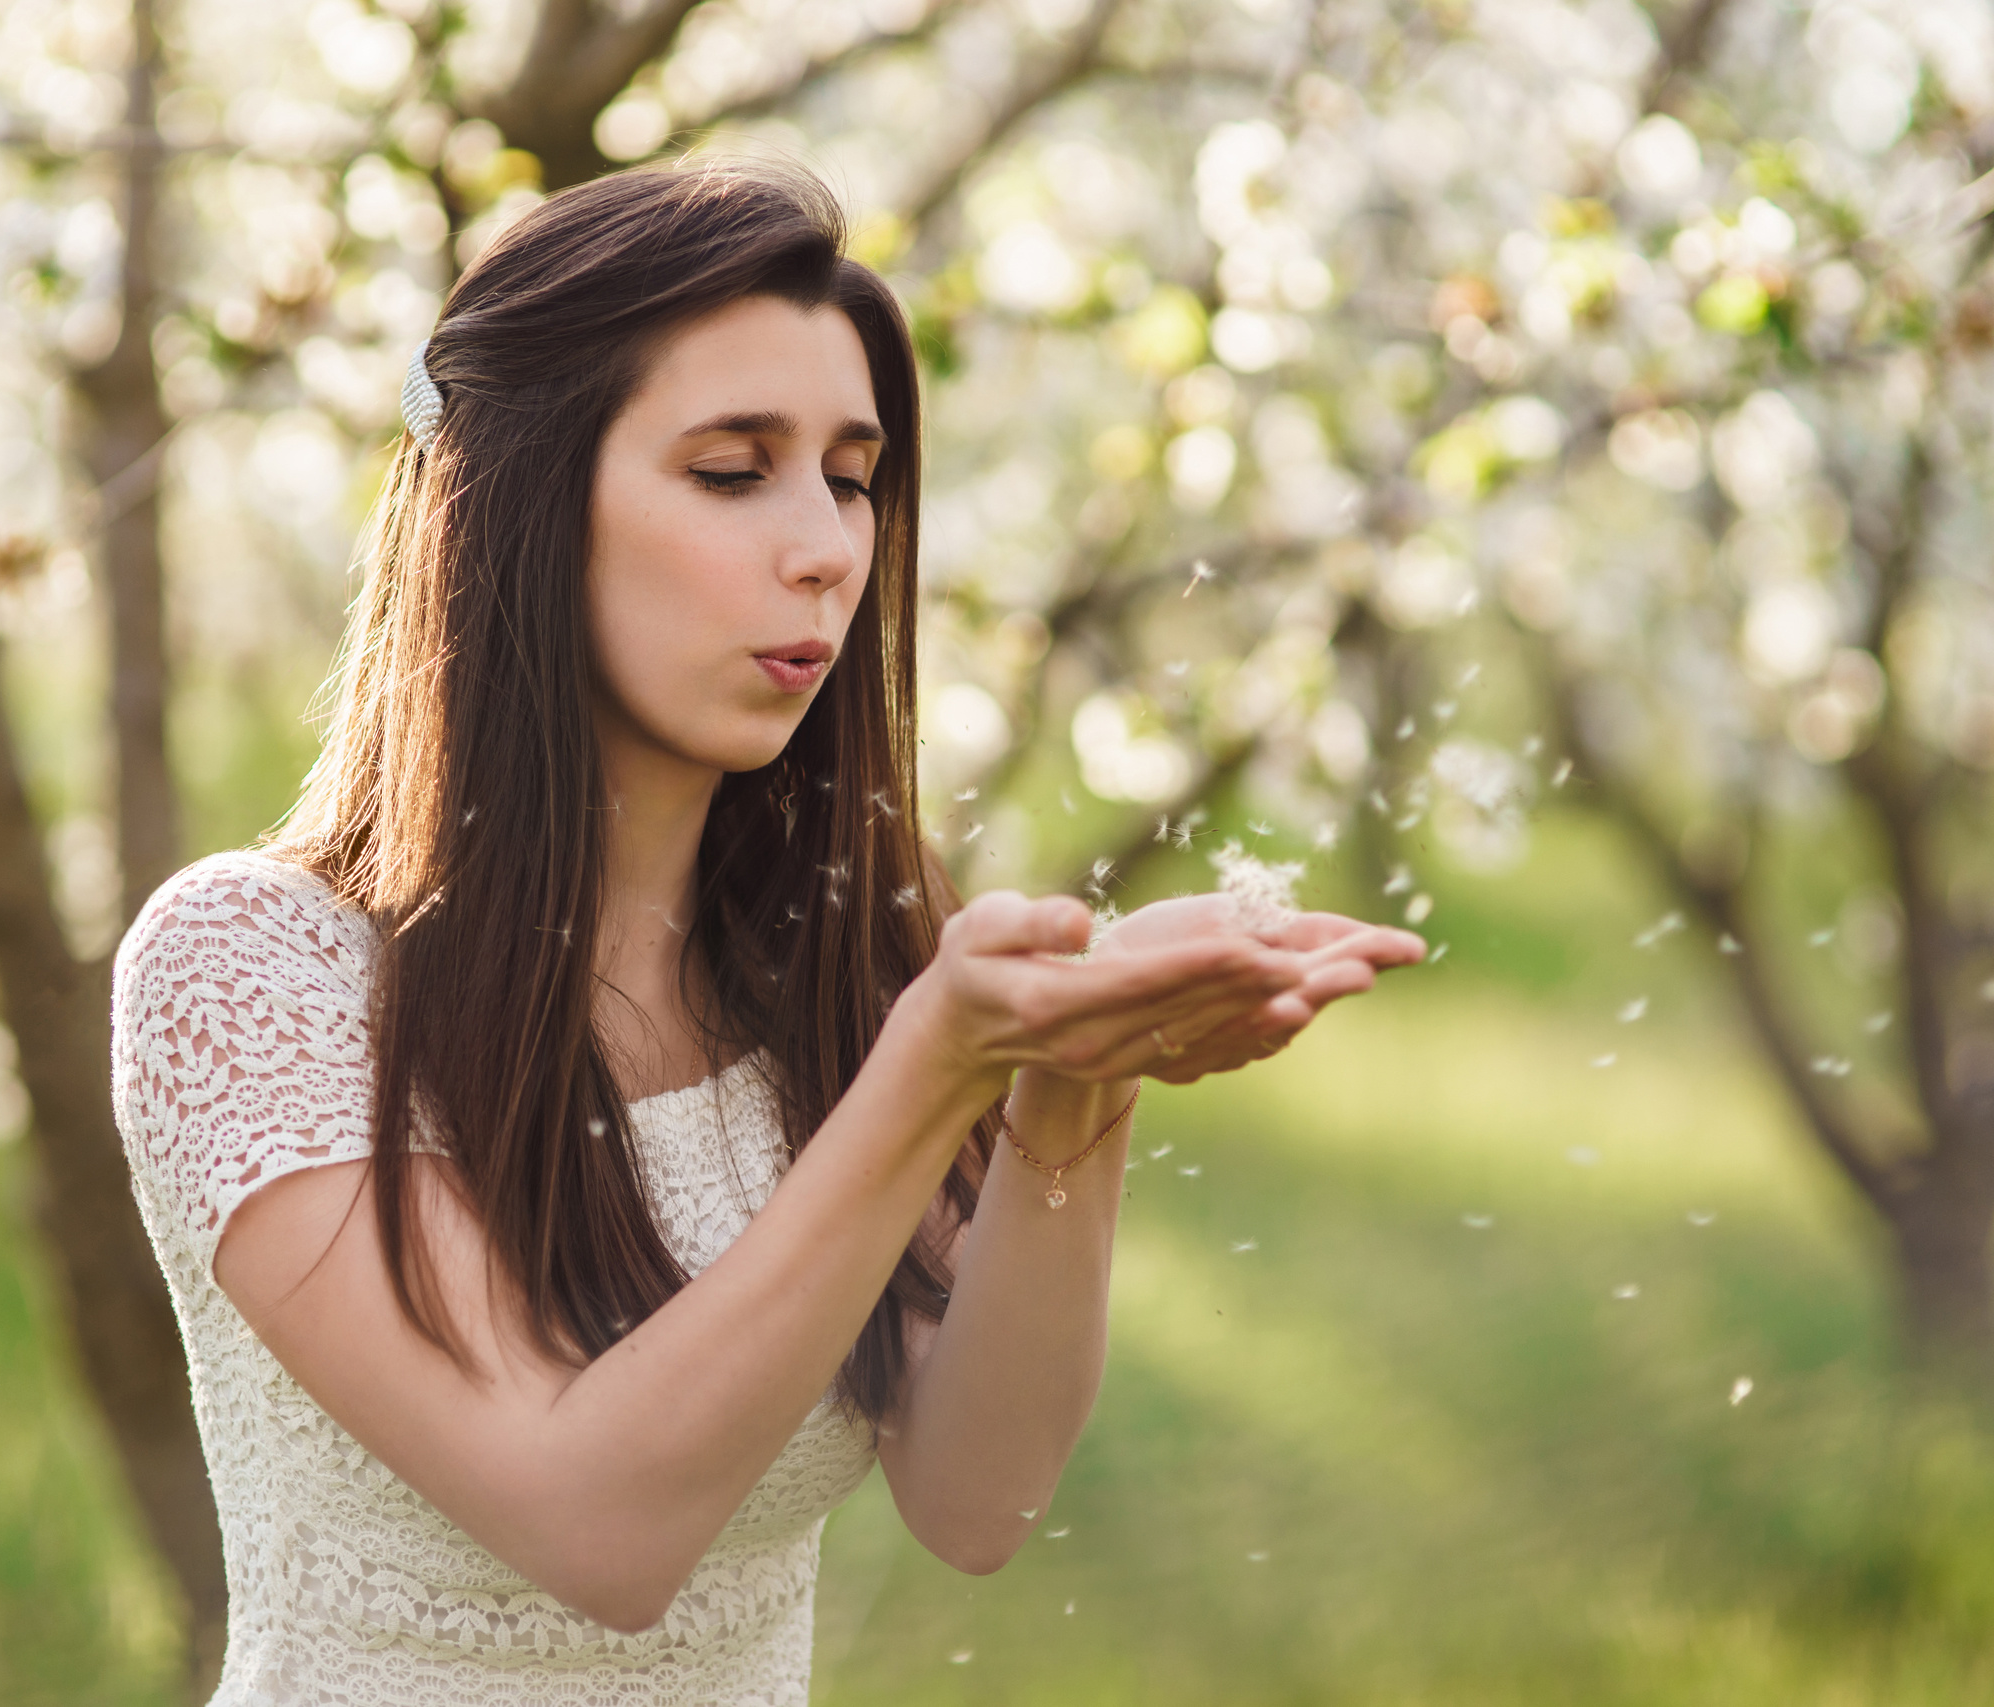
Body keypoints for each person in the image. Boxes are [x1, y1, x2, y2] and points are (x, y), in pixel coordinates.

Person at [110, 151, 1422, 1706]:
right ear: (515, 505)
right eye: (733, 471)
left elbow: (976, 1498)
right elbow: (594, 1528)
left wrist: (1079, 1081)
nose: (824, 548)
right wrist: (939, 1064)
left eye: (851, 478)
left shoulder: (836, 958)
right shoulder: (256, 977)